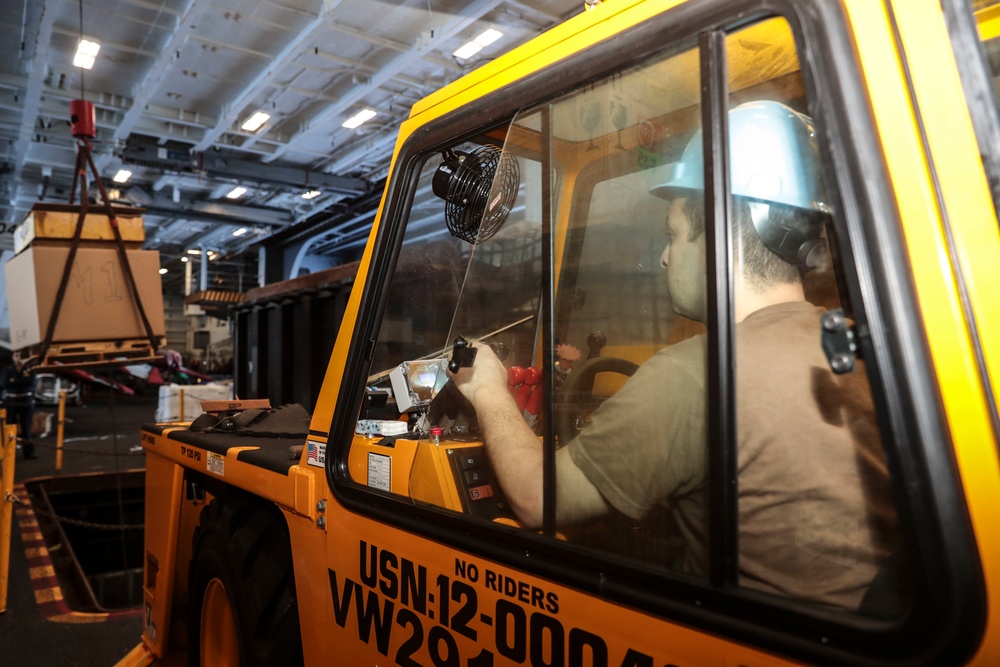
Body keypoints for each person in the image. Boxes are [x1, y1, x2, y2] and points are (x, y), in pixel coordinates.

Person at [450, 101, 897, 611]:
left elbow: (534, 498)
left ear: (721, 236)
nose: (665, 255)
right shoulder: (861, 348)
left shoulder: (697, 375)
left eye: (673, 233)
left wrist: (487, 390)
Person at [1, 351, 37, 459]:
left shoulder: (30, 369)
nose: (18, 358)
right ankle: (8, 452)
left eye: (20, 356)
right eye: (16, 355)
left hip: (26, 401)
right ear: (12, 357)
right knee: (9, 427)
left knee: (26, 427)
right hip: (11, 402)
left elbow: (31, 382)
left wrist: (14, 380)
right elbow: (3, 383)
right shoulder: (7, 370)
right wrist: (21, 381)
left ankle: (29, 453)